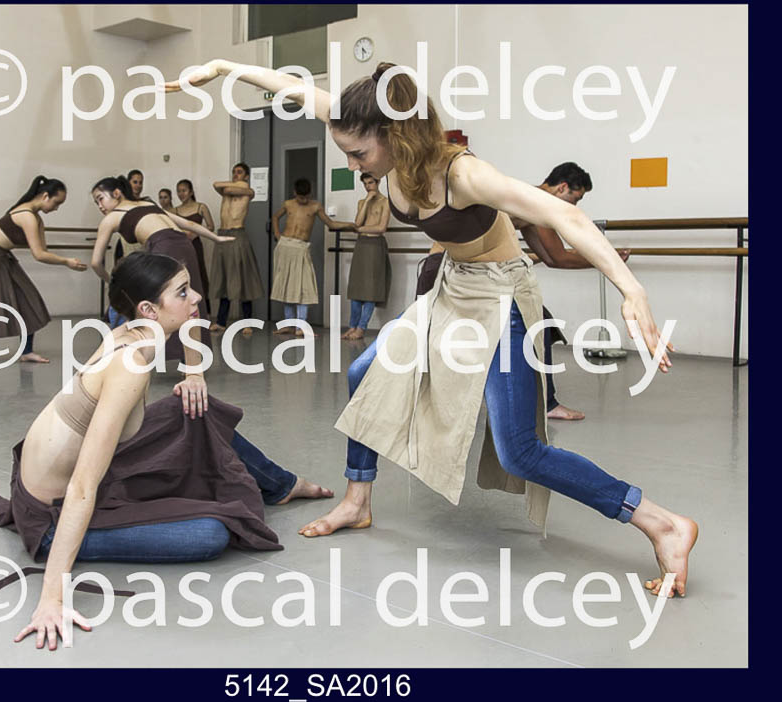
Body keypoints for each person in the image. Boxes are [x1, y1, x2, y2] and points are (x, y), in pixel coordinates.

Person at [165, 59, 697, 598]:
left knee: (519, 451)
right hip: (451, 287)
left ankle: (661, 522)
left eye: (358, 154)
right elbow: (293, 88)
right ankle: (357, 500)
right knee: (364, 371)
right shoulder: (364, 127)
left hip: (500, 298)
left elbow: (566, 217)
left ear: (394, 134)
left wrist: (632, 289)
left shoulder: (463, 174)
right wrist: (219, 67)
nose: (352, 163)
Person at [0, 252, 333, 650]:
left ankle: (282, 485)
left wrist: (194, 375)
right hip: (50, 514)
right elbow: (82, 486)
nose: (196, 297)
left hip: (69, 475)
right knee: (209, 535)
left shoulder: (135, 332)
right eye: (183, 292)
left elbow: (189, 327)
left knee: (194, 408)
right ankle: (67, 552)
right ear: (149, 309)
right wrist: (51, 598)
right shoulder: (129, 363)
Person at [416, 161, 632, 420]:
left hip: (447, 268)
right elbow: (559, 256)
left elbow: (550, 258)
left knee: (441, 334)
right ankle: (546, 404)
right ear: (562, 187)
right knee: (533, 323)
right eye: (575, 199)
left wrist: (607, 260)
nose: (574, 207)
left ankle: (430, 403)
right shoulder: (536, 202)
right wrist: (609, 261)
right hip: (450, 269)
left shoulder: (523, 202)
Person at [89, 175, 233, 364]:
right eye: (96, 202)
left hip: (164, 248)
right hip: (185, 245)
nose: (99, 206)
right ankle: (191, 360)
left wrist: (111, 282)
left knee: (152, 304)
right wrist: (215, 238)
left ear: (117, 193)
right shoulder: (148, 204)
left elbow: (95, 262)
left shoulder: (112, 217)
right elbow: (187, 224)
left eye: (100, 198)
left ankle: (135, 354)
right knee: (188, 301)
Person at [0, 175, 87, 366]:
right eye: (56, 203)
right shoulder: (27, 216)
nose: (56, 208)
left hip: (1, 257)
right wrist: (66, 262)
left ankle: (26, 351)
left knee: (27, 301)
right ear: (45, 196)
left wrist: (66, 261)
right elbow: (39, 255)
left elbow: (43, 251)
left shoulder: (36, 219)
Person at [271, 178, 355, 337]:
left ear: (310, 194)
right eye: (300, 197)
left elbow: (331, 224)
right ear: (295, 193)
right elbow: (275, 217)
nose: (303, 200)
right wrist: (277, 234)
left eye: (306, 197)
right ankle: (289, 324)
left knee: (304, 287)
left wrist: (350, 225)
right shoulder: (288, 204)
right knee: (286, 285)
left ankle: (301, 326)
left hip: (301, 247)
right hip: (285, 246)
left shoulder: (315, 206)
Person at [208, 163, 266, 336]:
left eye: (239, 172)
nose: (235, 174)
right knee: (223, 279)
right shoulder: (227, 190)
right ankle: (221, 322)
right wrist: (231, 185)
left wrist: (233, 186)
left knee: (243, 280)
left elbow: (228, 188)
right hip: (222, 235)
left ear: (246, 176)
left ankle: (247, 323)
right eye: (233, 172)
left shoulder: (248, 191)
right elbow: (216, 184)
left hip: (237, 234)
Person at [342, 173, 392, 340]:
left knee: (371, 290)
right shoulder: (361, 202)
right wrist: (367, 201)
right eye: (365, 184)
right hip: (361, 245)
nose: (368, 186)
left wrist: (360, 229)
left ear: (378, 182)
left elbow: (381, 228)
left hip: (376, 245)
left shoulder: (386, 202)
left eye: (371, 183)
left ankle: (361, 328)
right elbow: (357, 222)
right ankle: (352, 326)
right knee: (356, 288)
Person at [173, 178, 215, 314]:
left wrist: (196, 233)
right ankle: (183, 310)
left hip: (195, 246)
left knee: (199, 275)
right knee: (182, 275)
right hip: (180, 246)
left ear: (191, 192)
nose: (181, 194)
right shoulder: (175, 210)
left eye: (184, 190)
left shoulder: (200, 207)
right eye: (179, 191)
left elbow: (211, 226)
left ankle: (204, 311)